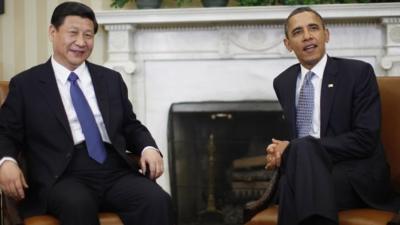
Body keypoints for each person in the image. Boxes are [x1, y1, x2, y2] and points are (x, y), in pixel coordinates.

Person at [0, 2, 172, 225]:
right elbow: (5, 132)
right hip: (61, 174)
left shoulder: (110, 80)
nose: (81, 42)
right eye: (73, 33)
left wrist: (149, 148)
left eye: (88, 35)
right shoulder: (26, 84)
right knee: (78, 204)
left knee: (157, 200)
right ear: (53, 32)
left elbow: (130, 125)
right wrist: (5, 162)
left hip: (113, 169)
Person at [265, 7, 398, 225]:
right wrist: (282, 153)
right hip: (309, 171)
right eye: (298, 32)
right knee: (301, 174)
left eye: (313, 28)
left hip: (355, 174)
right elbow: (298, 141)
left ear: (326, 35)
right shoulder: (283, 82)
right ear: (288, 44)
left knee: (297, 181)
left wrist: (295, 147)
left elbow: (365, 140)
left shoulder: (358, 73)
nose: (307, 36)